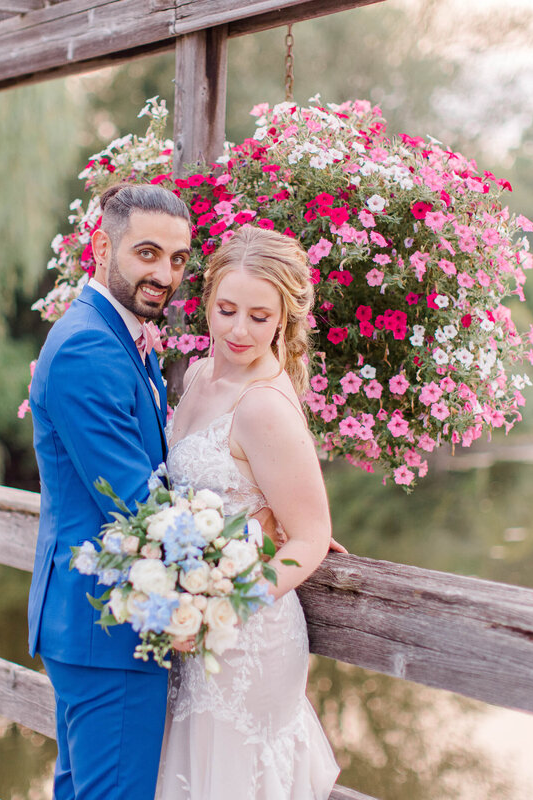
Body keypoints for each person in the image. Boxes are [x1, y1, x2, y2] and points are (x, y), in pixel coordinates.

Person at [155, 226, 341, 799]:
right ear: (207, 302)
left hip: (247, 636)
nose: (238, 330)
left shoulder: (264, 406)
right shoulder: (201, 373)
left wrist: (224, 603)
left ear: (283, 319)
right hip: (193, 627)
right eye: (227, 309)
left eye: (259, 318)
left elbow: (311, 536)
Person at [26, 183, 192, 800]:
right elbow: (136, 503)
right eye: (147, 253)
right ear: (103, 246)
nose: (164, 273)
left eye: (177, 259)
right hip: (110, 625)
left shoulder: (119, 334)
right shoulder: (90, 347)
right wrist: (262, 545)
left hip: (93, 622)